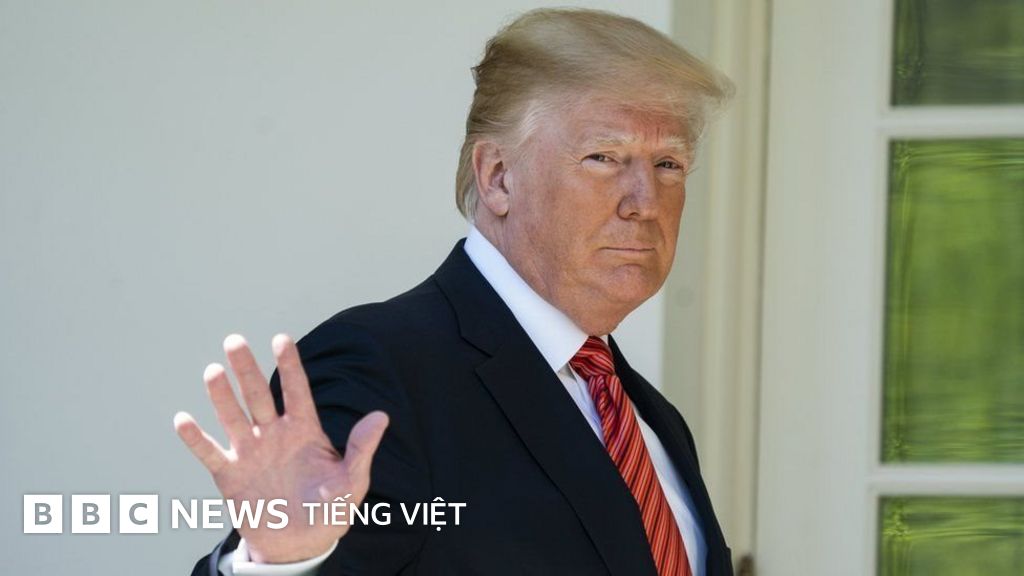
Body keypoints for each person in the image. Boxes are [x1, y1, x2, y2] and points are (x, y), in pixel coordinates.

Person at [175, 8, 734, 576]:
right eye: (604, 158)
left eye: (669, 164)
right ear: (497, 177)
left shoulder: (650, 417)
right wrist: (284, 561)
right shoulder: (379, 371)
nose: (645, 201)